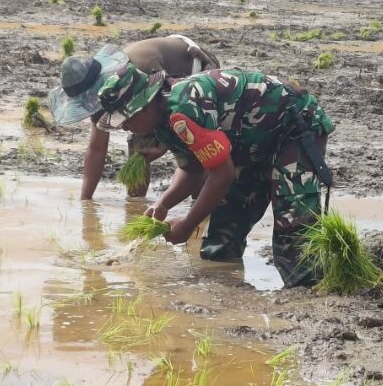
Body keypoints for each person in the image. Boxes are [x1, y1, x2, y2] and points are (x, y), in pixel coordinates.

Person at [95, 64, 335, 288]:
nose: (124, 127)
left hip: (292, 127)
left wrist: (188, 225)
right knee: (222, 237)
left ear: (146, 104)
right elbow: (192, 169)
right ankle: (224, 296)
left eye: (126, 118)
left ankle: (308, 298)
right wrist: (163, 203)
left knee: (293, 230)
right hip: (246, 146)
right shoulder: (162, 119)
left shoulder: (183, 109)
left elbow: (222, 174)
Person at [48, 36, 219, 200]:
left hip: (192, 70)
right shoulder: (102, 95)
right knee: (139, 153)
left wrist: (163, 146)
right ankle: (137, 205)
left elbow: (177, 113)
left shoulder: (141, 69)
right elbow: (96, 148)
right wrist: (85, 201)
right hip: (159, 92)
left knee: (195, 166)